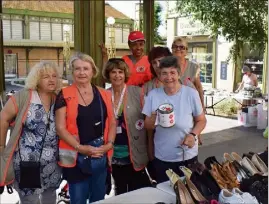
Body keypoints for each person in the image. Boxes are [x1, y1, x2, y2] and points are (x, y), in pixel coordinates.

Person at [55, 52, 116, 204]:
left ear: (93, 72)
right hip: (76, 158)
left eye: (86, 68)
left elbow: (113, 122)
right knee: (78, 199)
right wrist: (80, 147)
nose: (81, 72)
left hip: (100, 154)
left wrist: (109, 145)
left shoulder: (104, 94)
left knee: (99, 198)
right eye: (77, 69)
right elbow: (60, 128)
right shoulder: (64, 94)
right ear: (72, 72)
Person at [0, 61, 62, 204]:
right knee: (29, 199)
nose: (51, 80)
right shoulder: (24, 97)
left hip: (52, 162)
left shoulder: (58, 98)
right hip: (26, 162)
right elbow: (3, 119)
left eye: (54, 76)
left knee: (50, 196)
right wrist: (1, 147)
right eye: (46, 76)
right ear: (36, 79)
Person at [142, 56, 207, 184]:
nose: (168, 77)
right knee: (166, 194)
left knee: (190, 192)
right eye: (164, 73)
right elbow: (147, 126)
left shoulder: (191, 94)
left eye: (172, 72)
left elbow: (201, 120)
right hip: (163, 157)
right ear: (159, 75)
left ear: (179, 73)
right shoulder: (153, 95)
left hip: (188, 155)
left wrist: (193, 135)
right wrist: (155, 115)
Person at [102, 58, 150, 195]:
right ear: (108, 74)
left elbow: (148, 119)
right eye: (113, 72)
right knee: (121, 190)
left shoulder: (137, 92)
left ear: (125, 74)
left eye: (120, 72)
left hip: (134, 152)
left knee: (139, 192)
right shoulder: (104, 94)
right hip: (113, 153)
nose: (117, 75)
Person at [171, 37, 204, 108]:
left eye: (182, 47)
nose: (178, 49)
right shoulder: (167, 66)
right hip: (171, 105)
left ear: (186, 51)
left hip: (190, 105)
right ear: (172, 50)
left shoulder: (193, 67)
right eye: (175, 47)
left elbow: (198, 87)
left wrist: (202, 106)